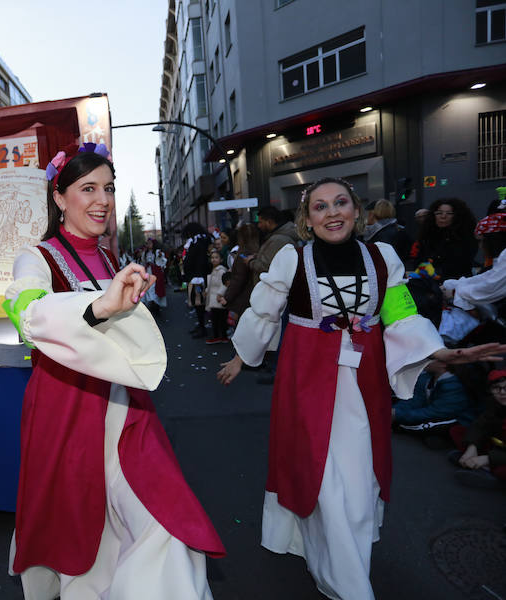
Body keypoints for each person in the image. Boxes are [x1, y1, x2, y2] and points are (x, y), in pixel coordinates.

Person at [215, 176, 505, 600]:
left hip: (363, 385)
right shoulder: (291, 260)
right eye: (320, 207)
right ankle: (349, 585)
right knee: (324, 478)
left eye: (340, 203)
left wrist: (442, 354)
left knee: (356, 481)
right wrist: (242, 356)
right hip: (306, 384)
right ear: (307, 219)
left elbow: (401, 315)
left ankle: (334, 560)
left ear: (357, 210)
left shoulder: (382, 257)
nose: (332, 212)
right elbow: (263, 312)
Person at [3, 143, 224, 600]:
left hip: (126, 413)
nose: (102, 199)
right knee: (80, 533)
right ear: (60, 198)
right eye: (88, 188)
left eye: (108, 188)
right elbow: (27, 313)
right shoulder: (36, 257)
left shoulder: (109, 259)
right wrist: (102, 305)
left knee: (164, 522)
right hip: (65, 410)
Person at [450, 369, 506, 489]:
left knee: (501, 471)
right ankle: (474, 460)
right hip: (498, 445)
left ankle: (492, 476)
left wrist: (489, 458)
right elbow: (480, 425)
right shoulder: (494, 404)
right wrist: (472, 447)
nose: (502, 392)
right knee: (458, 431)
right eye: (496, 388)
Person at [412, 198, 477, 279]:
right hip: (430, 283)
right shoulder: (427, 236)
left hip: (456, 283)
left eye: (449, 213)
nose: (443, 216)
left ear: (457, 216)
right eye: (439, 213)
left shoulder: (465, 237)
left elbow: (462, 264)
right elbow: (419, 261)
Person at [218, 222, 260, 325]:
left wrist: (227, 297)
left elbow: (238, 279)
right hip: (257, 296)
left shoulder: (243, 255)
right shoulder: (259, 251)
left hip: (243, 299)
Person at [182, 222, 213, 338]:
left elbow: (199, 260)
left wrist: (197, 276)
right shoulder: (198, 241)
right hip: (196, 276)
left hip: (198, 278)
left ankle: (202, 327)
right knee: (197, 303)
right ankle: (201, 325)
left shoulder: (198, 242)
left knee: (199, 302)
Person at [204, 250, 228, 344]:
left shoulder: (221, 271)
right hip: (213, 297)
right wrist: (206, 291)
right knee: (216, 318)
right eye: (212, 257)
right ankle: (219, 336)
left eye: (216, 257)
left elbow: (224, 284)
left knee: (219, 319)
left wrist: (220, 294)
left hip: (217, 297)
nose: (213, 259)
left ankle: (219, 336)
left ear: (221, 259)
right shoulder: (215, 269)